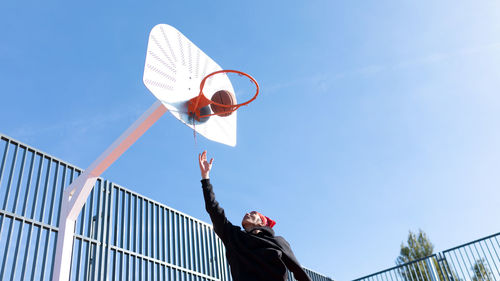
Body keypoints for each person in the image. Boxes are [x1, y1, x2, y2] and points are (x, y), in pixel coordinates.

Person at [198, 151, 312, 281]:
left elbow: (299, 271)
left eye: (253, 213)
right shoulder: (234, 237)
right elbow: (214, 210)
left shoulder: (278, 241)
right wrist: (205, 177)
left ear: (261, 223)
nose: (247, 213)